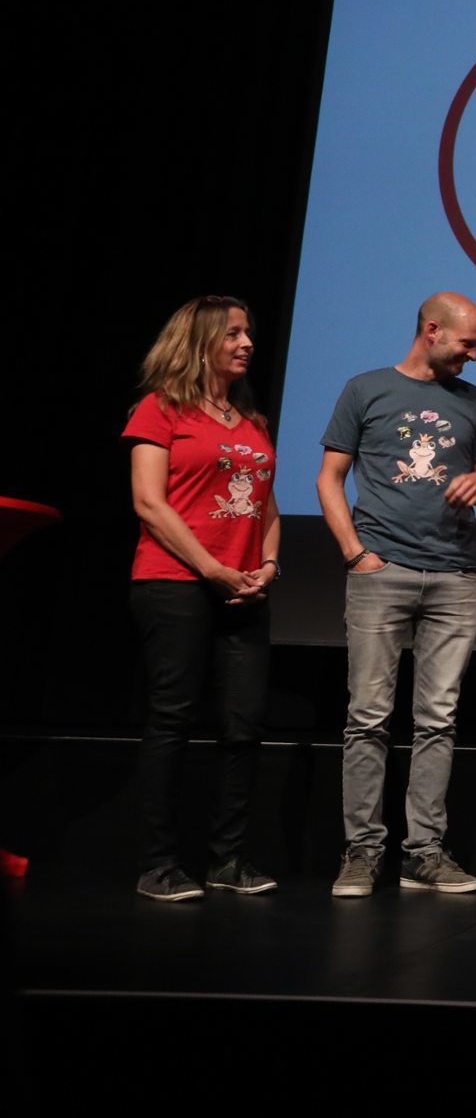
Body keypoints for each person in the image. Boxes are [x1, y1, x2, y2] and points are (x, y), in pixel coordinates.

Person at [318, 292, 476, 898]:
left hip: (455, 576)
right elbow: (329, 478)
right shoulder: (366, 389)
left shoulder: (474, 401)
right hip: (381, 569)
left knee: (437, 720)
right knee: (368, 716)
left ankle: (424, 853)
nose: (474, 356)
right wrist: (355, 554)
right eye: (467, 344)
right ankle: (362, 852)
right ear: (432, 330)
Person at [124, 296, 281, 901]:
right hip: (174, 582)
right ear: (199, 342)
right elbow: (149, 502)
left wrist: (268, 565)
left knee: (243, 725)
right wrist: (211, 567)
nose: (246, 343)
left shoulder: (252, 421)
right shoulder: (160, 408)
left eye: (248, 332)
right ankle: (158, 863)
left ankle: (228, 860)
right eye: (233, 334)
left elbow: (266, 507)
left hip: (243, 590)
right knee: (173, 718)